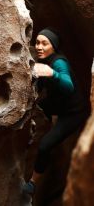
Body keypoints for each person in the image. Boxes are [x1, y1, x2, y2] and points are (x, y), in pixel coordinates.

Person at [22, 27, 90, 195]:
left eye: (45, 43)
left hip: (73, 113)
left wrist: (53, 74)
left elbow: (68, 85)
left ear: (54, 46)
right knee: (34, 109)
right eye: (37, 43)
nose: (39, 47)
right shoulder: (42, 61)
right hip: (56, 104)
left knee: (45, 145)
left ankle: (32, 183)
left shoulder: (58, 62)